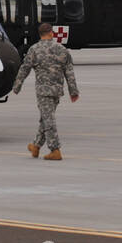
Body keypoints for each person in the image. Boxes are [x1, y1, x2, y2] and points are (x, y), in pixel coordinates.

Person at [11, 22, 79, 160]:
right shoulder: (62, 49)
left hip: (43, 91)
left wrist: (17, 86)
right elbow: (69, 71)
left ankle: (55, 150)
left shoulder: (34, 49)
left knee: (48, 120)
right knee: (46, 118)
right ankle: (35, 146)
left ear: (40, 34)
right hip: (57, 90)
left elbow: (25, 68)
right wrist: (73, 91)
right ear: (51, 33)